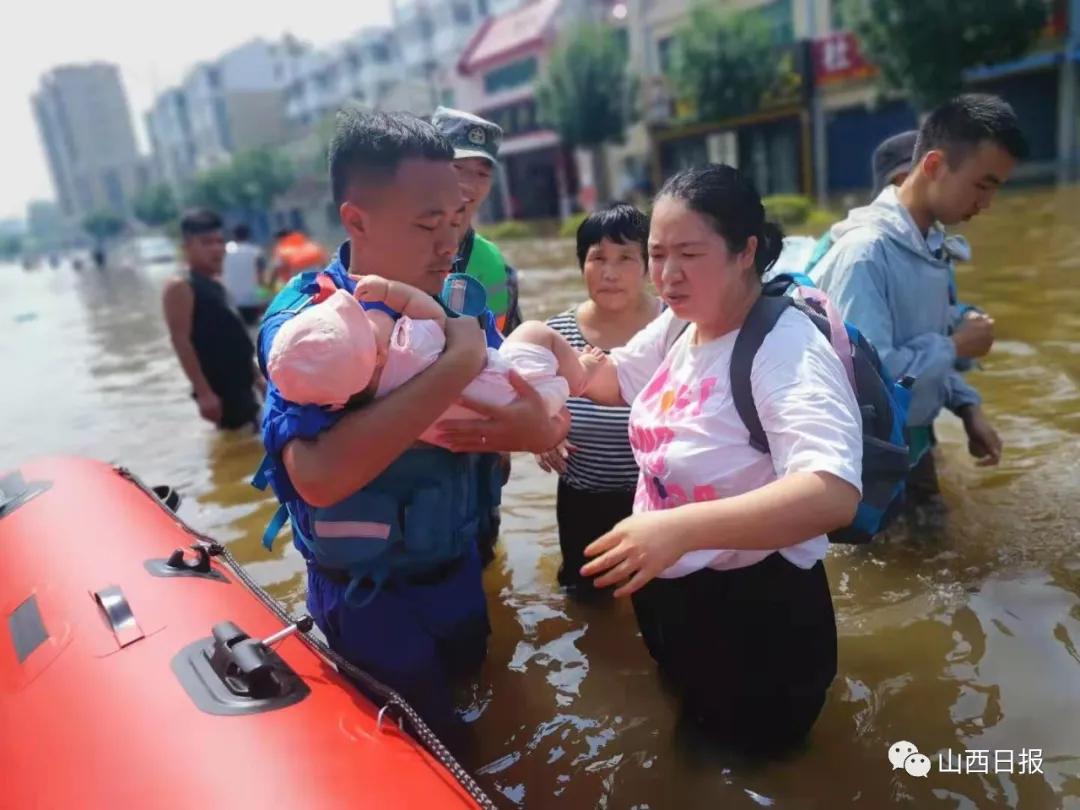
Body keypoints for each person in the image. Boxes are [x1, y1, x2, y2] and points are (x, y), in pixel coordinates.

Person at [255, 108, 568, 741]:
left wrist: (538, 429)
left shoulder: (454, 298)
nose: (448, 244)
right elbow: (316, 477)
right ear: (357, 221)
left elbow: (528, 406)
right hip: (372, 599)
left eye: (457, 220)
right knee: (433, 746)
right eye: (428, 224)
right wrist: (456, 362)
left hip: (457, 569)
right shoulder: (314, 325)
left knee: (488, 710)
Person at [574, 164, 864, 755]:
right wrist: (537, 350)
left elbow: (832, 491)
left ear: (744, 252)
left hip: (758, 612)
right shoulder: (680, 326)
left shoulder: (784, 347)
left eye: (689, 253)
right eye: (656, 254)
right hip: (675, 588)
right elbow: (611, 378)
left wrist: (677, 529)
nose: (667, 275)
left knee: (752, 766)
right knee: (690, 731)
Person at [809, 94, 1027, 502]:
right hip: (869, 462)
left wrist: (967, 408)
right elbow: (872, 387)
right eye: (982, 186)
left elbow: (931, 332)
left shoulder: (932, 246)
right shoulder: (865, 254)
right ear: (933, 165)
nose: (987, 203)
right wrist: (955, 344)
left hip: (914, 447)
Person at [266, 274, 604, 439]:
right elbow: (434, 316)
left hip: (498, 418)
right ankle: (582, 373)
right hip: (519, 384)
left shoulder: (360, 403)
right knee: (535, 329)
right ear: (380, 353)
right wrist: (391, 292)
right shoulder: (412, 348)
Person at [538, 203, 661, 594]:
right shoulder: (553, 336)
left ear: (648, 265)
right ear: (581, 265)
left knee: (662, 601)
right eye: (597, 258)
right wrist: (543, 433)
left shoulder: (677, 328)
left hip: (660, 501)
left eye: (625, 257)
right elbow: (526, 401)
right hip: (583, 495)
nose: (609, 272)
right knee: (585, 599)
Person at [163, 209, 263, 430]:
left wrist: (258, 380)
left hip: (243, 386)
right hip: (220, 391)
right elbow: (180, 340)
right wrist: (204, 392)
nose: (217, 249)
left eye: (220, 241)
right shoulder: (181, 286)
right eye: (207, 243)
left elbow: (235, 338)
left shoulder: (217, 284)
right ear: (187, 247)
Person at [432, 107, 523, 335]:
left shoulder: (493, 264)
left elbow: (503, 347)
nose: (469, 185)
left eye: (482, 174)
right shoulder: (390, 243)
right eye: (457, 168)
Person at [222, 224, 267, 325]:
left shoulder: (224, 251)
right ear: (248, 235)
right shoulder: (256, 252)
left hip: (231, 300)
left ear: (233, 235)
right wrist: (264, 297)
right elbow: (261, 277)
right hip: (252, 300)